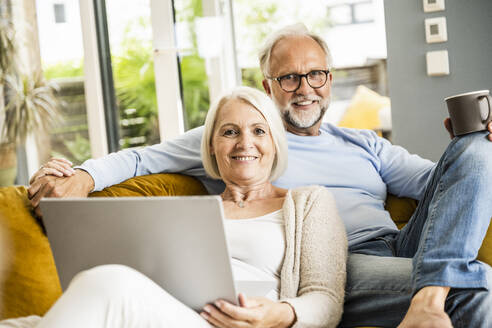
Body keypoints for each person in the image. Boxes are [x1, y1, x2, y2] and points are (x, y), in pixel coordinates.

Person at [29, 23, 492, 327]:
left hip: (403, 245)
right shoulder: (245, 138)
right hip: (335, 260)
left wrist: (469, 151)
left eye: (315, 75)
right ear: (268, 85)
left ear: (329, 79)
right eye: (289, 78)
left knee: (475, 145)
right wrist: (82, 176)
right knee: (476, 288)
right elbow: (139, 159)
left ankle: (432, 288)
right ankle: (439, 290)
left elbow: (450, 186)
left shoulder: (364, 143)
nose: (304, 89)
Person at [4, 87, 347, 328]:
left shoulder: (308, 203)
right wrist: (69, 175)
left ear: (275, 143)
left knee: (109, 282)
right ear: (212, 146)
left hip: (238, 325)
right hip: (165, 315)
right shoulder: (189, 210)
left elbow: (326, 300)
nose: (245, 143)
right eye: (230, 132)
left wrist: (279, 313)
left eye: (259, 131)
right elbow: (140, 160)